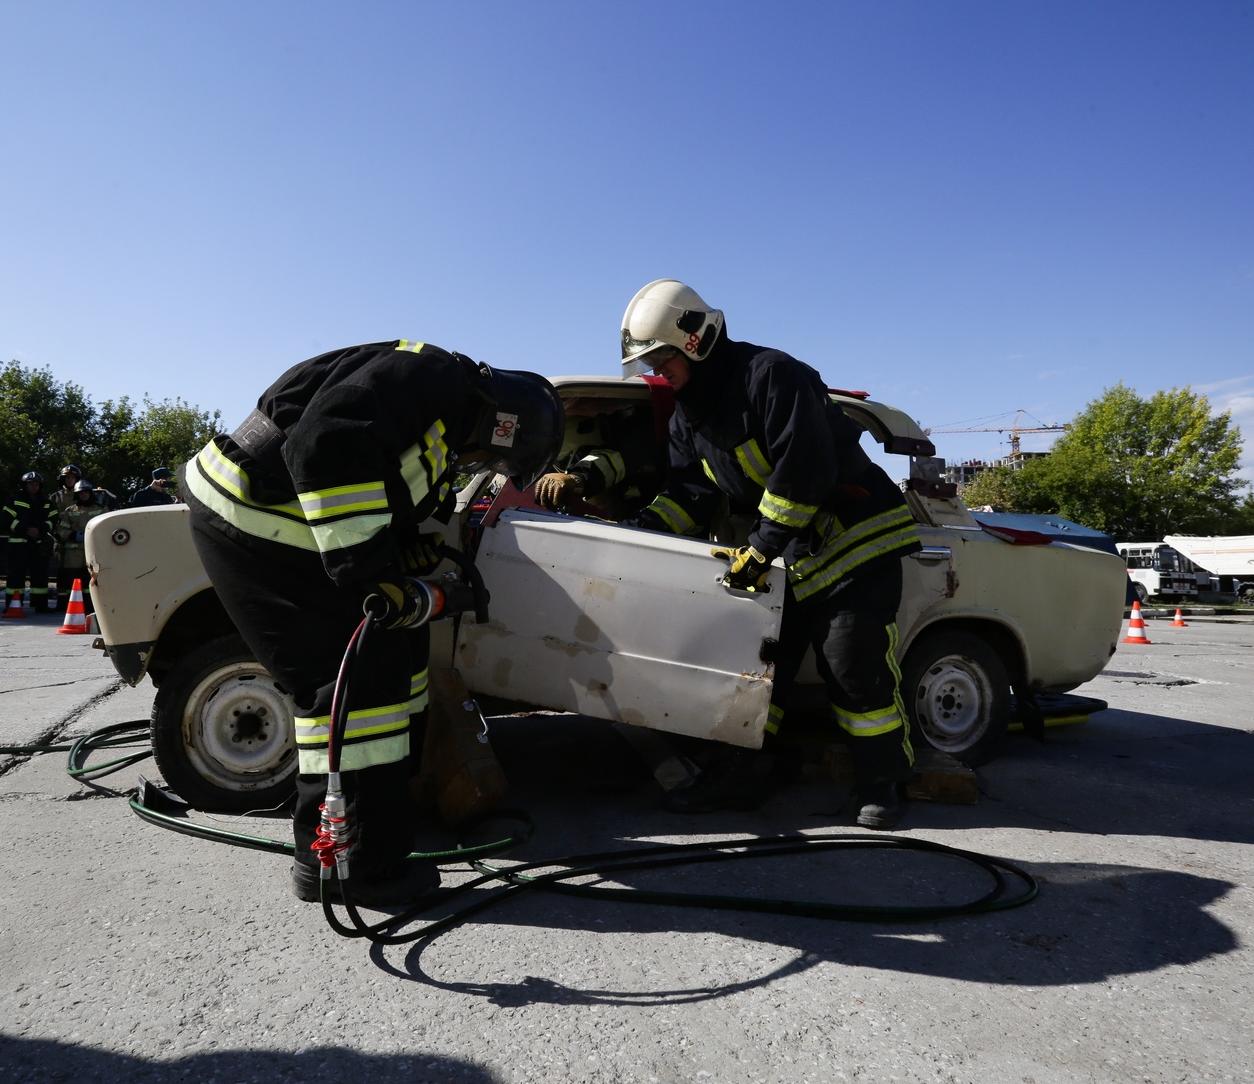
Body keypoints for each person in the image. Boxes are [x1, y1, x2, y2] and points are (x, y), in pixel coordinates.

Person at [183, 339, 563, 904]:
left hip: (282, 520)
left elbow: (387, 480)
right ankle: (344, 864)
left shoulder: (443, 410)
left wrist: (402, 557)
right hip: (256, 517)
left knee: (397, 659)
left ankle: (384, 824)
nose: (484, 465)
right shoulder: (430, 380)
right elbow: (325, 444)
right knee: (346, 684)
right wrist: (369, 571)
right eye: (495, 458)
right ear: (507, 426)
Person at [619, 279, 922, 828]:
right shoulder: (690, 417)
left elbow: (803, 468)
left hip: (854, 541)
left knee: (852, 666)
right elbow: (692, 493)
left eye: (662, 360)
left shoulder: (772, 375)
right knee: (757, 673)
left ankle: (883, 783)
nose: (658, 375)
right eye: (650, 365)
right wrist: (639, 534)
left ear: (695, 341)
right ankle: (748, 778)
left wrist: (760, 548)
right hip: (792, 556)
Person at [534, 395, 669, 520]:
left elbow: (614, 461)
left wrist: (576, 478)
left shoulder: (636, 448)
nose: (566, 471)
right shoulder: (616, 496)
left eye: (577, 460)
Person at [5, 471, 57, 613]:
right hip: (18, 544)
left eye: (36, 484)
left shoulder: (46, 502)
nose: (34, 486)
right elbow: (6, 519)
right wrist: (26, 529)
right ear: (24, 485)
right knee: (16, 576)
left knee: (40, 576)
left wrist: (40, 530)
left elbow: (53, 518)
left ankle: (40, 605)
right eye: (30, 484)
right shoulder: (14, 499)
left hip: (38, 544)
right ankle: (13, 605)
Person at [55, 480, 107, 613]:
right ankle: (70, 608)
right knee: (72, 582)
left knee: (92, 581)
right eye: (80, 493)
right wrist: (73, 535)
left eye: (86, 492)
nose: (83, 495)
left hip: (94, 552)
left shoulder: (101, 509)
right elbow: (61, 530)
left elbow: (107, 528)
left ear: (90, 493)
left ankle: (92, 607)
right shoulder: (70, 511)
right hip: (73, 555)